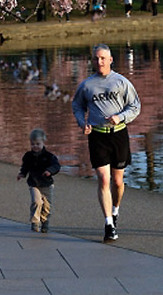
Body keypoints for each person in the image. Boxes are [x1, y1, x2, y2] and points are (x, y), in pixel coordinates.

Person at [71, 44, 141, 243]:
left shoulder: (121, 82)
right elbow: (76, 105)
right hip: (97, 136)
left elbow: (135, 106)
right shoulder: (86, 85)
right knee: (103, 179)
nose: (99, 62)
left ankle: (115, 210)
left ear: (110, 60)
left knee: (118, 182)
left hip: (118, 135)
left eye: (103, 58)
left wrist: (121, 117)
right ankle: (109, 224)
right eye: (95, 59)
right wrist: (81, 122)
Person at [17, 128, 61, 233]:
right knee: (36, 202)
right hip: (34, 183)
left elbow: (56, 166)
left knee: (47, 205)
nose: (35, 146)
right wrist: (22, 174)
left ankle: (45, 222)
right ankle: (35, 222)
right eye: (32, 144)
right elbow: (25, 166)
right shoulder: (28, 156)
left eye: (38, 144)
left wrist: (49, 171)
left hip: (47, 184)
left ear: (43, 142)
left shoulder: (49, 157)